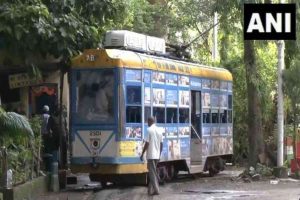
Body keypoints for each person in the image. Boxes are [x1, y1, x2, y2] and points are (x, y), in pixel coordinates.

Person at [140, 116, 163, 195]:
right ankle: (150, 190)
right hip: (157, 155)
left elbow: (147, 143)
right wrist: (159, 154)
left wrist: (142, 153)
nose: (147, 124)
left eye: (147, 122)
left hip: (151, 155)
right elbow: (161, 144)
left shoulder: (149, 130)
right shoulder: (159, 130)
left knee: (152, 174)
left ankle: (157, 190)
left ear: (150, 121)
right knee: (152, 172)